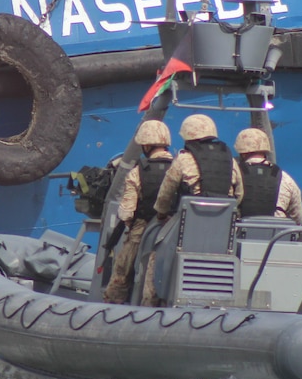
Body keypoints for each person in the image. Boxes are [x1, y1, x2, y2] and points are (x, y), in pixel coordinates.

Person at [141, 114, 243, 305]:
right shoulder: (231, 161)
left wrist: (161, 214)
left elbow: (166, 193)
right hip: (223, 236)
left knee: (154, 256)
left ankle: (150, 305)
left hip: (187, 230)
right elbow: (239, 195)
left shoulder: (183, 159)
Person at [101, 120, 174, 304]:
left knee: (122, 272)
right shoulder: (180, 167)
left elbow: (126, 213)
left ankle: (113, 304)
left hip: (143, 229)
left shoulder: (136, 173)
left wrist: (129, 223)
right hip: (174, 229)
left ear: (146, 145)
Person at [233, 128, 302, 224]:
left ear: (242, 154)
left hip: (241, 236)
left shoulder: (235, 175)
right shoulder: (285, 178)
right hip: (277, 235)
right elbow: (297, 218)